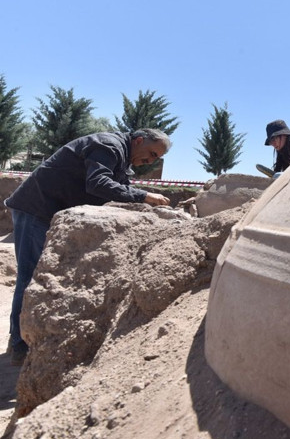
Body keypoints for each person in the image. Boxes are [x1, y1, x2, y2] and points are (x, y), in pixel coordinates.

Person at [4, 128, 172, 365]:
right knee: (30, 276)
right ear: (139, 140)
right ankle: (20, 345)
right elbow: (98, 183)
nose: (151, 161)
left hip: (52, 210)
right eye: (152, 153)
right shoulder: (108, 146)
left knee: (45, 276)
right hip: (36, 207)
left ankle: (37, 338)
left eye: (156, 158)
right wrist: (144, 196)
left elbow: (120, 188)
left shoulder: (122, 157)